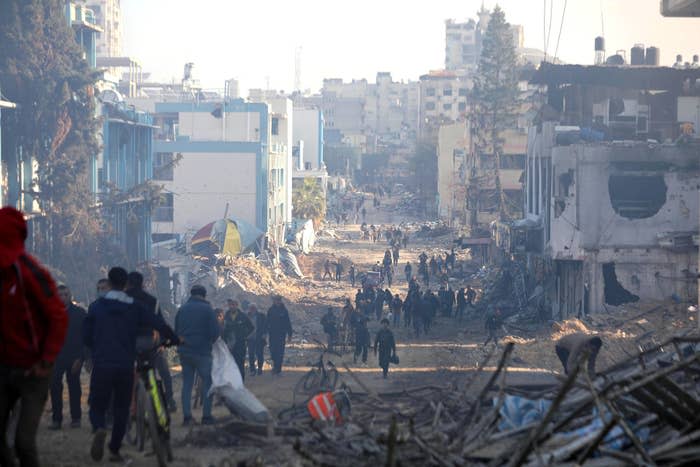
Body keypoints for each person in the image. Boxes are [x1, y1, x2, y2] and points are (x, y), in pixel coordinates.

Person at [85, 267, 180, 462]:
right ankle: (114, 449)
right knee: (122, 408)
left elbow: (86, 336)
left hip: (102, 363)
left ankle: (99, 427)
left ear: (109, 284)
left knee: (97, 403)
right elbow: (159, 323)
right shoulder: (136, 307)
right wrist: (175, 339)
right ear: (126, 284)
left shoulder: (96, 307)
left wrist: (95, 348)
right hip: (126, 364)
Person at [0, 207, 68, 467]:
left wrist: (47, 359)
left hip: (34, 370)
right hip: (3, 367)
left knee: (23, 441)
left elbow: (58, 318)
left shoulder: (31, 273)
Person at [126, 271, 177, 412]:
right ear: (142, 284)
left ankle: (125, 411)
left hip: (128, 345)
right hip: (150, 344)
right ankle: (163, 405)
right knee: (159, 374)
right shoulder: (152, 300)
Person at [175, 285, 220, 426]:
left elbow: (176, 330)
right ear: (204, 295)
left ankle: (187, 417)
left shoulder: (182, 309)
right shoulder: (208, 310)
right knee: (208, 382)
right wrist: (209, 342)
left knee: (187, 384)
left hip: (185, 351)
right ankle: (206, 417)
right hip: (202, 352)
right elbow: (215, 331)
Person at [49, 285, 87, 430]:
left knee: (75, 387)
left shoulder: (79, 313)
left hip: (74, 357)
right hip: (56, 357)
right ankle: (56, 419)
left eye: (65, 294)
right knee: (54, 387)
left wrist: (81, 357)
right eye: (60, 294)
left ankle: (76, 418)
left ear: (70, 295)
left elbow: (85, 337)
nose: (63, 297)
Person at [223, 299, 254, 381]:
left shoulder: (243, 316)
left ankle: (240, 383)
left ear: (237, 305)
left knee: (240, 364)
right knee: (229, 364)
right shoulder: (225, 316)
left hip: (240, 345)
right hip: (228, 345)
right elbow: (222, 329)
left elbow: (251, 327)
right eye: (230, 305)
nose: (232, 306)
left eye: (234, 305)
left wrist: (245, 336)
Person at [267, 295, 293, 374]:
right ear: (274, 301)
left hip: (281, 335)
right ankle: (275, 366)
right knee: (273, 351)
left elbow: (287, 322)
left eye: (278, 300)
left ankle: (278, 369)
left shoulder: (284, 310)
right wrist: (265, 332)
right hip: (272, 335)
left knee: (280, 352)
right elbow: (267, 322)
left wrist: (290, 334)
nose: (277, 302)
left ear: (280, 301)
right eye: (276, 300)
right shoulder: (270, 310)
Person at [246, 305, 267, 376]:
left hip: (259, 338)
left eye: (253, 308)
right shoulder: (246, 316)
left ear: (256, 309)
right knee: (251, 354)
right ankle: (252, 370)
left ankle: (260, 369)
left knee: (259, 354)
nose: (252, 309)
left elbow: (265, 325)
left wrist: (264, 334)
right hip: (250, 339)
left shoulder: (261, 316)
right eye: (251, 308)